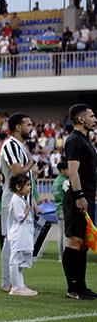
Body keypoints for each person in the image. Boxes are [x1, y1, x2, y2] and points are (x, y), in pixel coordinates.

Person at [62, 104, 97, 299]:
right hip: (78, 198)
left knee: (83, 243)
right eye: (91, 116)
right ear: (80, 119)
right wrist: (80, 196)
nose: (95, 119)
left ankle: (81, 286)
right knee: (75, 241)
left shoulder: (85, 140)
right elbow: (73, 171)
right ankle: (72, 288)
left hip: (87, 197)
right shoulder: (74, 140)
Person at [0, 113, 37, 293]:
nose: (31, 127)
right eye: (28, 124)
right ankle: (10, 282)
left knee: (17, 241)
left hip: (22, 201)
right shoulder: (11, 145)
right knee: (11, 241)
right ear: (17, 127)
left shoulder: (20, 145)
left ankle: (14, 282)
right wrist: (31, 163)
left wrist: (33, 200)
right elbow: (18, 176)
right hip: (12, 201)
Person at [7, 173, 37, 296]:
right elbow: (20, 217)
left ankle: (21, 285)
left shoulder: (20, 199)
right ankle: (15, 287)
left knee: (19, 262)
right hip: (17, 235)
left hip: (23, 235)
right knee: (15, 261)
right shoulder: (16, 200)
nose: (30, 187)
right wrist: (28, 209)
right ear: (19, 187)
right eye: (28, 185)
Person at [53, 159, 69, 261]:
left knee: (60, 233)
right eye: (67, 169)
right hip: (64, 209)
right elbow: (69, 195)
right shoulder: (64, 181)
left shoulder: (56, 181)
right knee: (64, 234)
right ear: (63, 170)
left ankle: (60, 255)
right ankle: (63, 256)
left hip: (57, 209)